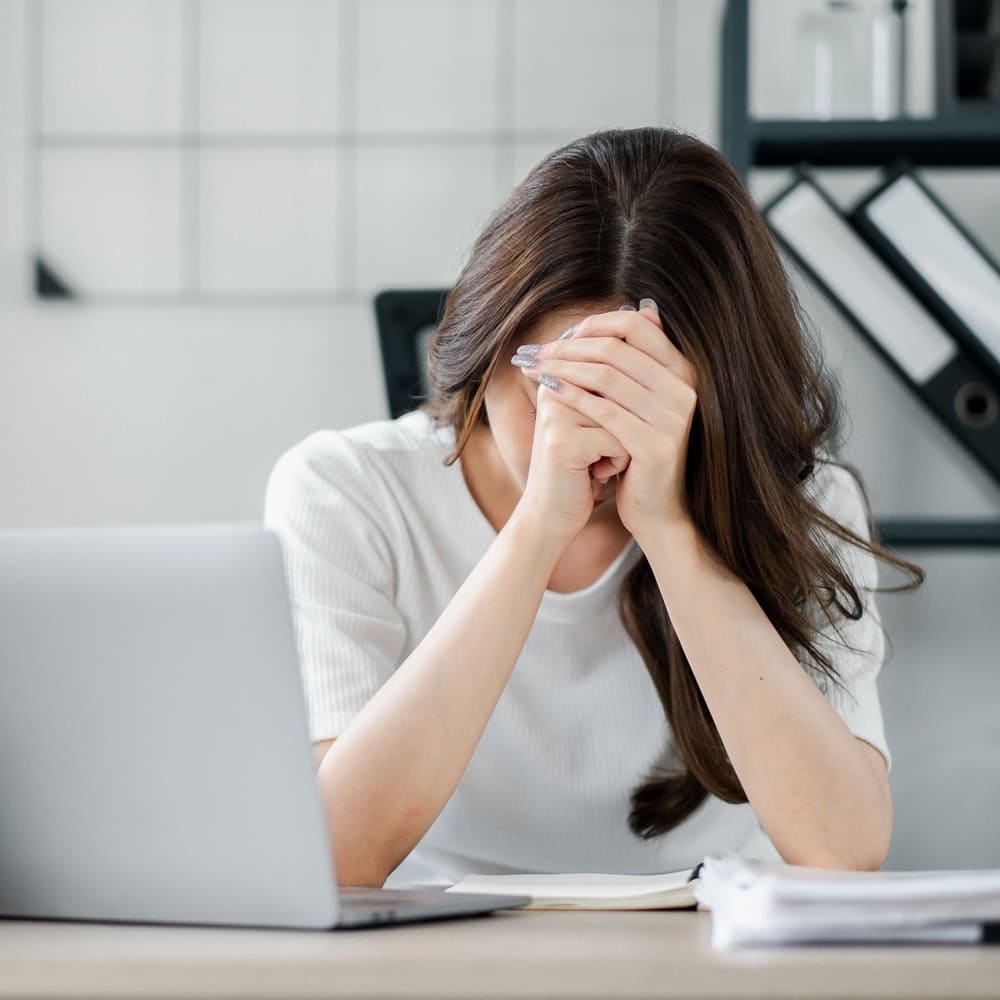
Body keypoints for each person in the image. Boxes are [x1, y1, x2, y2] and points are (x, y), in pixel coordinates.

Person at [263, 126, 924, 890]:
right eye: (559, 385)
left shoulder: (803, 501)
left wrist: (672, 531)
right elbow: (336, 854)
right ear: (484, 351)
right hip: (442, 941)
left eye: (637, 394)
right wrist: (539, 527)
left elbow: (843, 849)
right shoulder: (346, 491)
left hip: (715, 941)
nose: (590, 435)